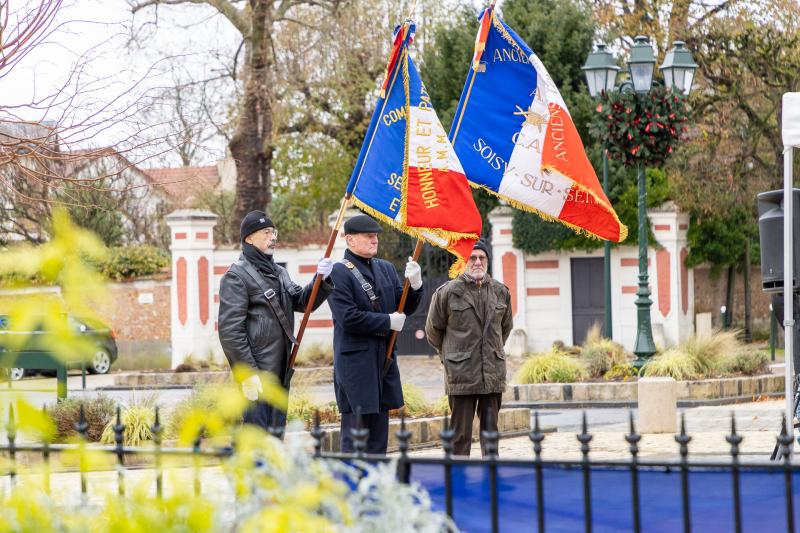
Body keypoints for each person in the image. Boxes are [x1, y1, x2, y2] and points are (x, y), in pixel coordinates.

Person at [218, 210, 335, 432]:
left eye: (274, 232)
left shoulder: (279, 272)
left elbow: (302, 301)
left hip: (282, 369)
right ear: (249, 238)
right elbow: (230, 332)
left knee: (275, 436)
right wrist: (248, 374)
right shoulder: (236, 276)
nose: (273, 237)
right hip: (258, 374)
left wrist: (321, 280)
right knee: (258, 440)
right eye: (266, 232)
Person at [327, 214, 424, 454]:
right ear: (349, 240)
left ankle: (375, 487)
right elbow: (347, 318)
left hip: (384, 359)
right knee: (356, 436)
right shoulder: (338, 273)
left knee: (379, 438)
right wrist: (387, 321)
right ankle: (352, 489)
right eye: (368, 236)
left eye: (376, 236)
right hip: (356, 365)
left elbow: (404, 307)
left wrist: (416, 285)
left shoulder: (386, 268)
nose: (374, 240)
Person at [425, 240, 513, 457]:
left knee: (491, 433)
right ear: (463, 261)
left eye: (481, 258)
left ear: (487, 261)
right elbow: (433, 331)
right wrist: (451, 356)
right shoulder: (448, 292)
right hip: (461, 373)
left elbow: (505, 328)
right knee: (460, 435)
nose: (476, 262)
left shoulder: (501, 292)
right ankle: (459, 478)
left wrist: (490, 350)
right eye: (471, 258)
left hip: (491, 373)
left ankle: (491, 478)